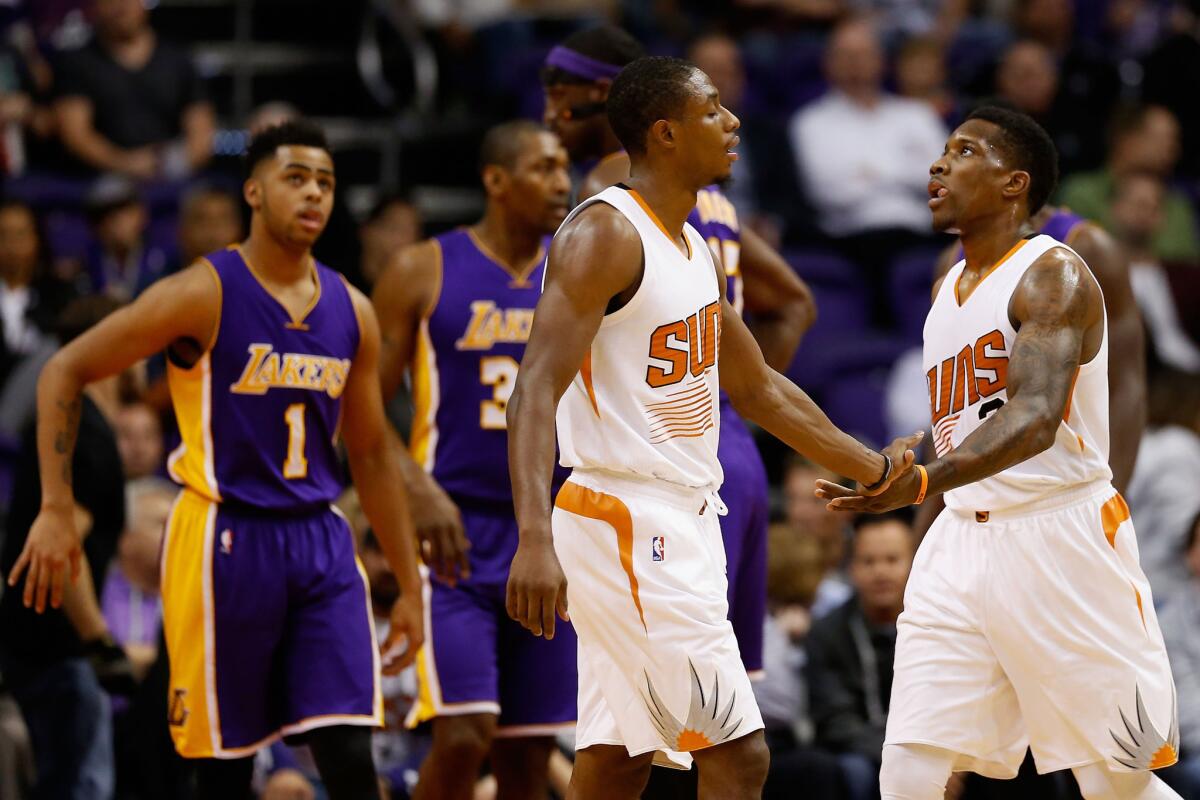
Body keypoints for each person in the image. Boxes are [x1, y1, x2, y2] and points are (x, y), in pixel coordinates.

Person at [506, 55, 920, 798]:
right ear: (665, 133)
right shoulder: (605, 234)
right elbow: (534, 387)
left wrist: (874, 471)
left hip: (680, 516)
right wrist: (532, 535)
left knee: (615, 760)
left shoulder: (693, 245)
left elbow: (759, 389)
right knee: (739, 752)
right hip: (626, 516)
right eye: (712, 111)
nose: (733, 124)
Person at [6, 119, 427, 800]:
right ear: (253, 192)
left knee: (349, 750)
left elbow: (374, 455)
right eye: (296, 179)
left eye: (325, 182)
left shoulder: (354, 309)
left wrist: (409, 584)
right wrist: (55, 508)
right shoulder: (203, 292)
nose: (314, 195)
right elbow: (64, 370)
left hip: (321, 539)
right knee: (226, 767)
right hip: (226, 536)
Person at [817, 106, 1182, 799]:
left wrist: (923, 478)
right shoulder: (944, 288)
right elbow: (968, 422)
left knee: (1116, 780)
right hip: (963, 541)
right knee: (911, 770)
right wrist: (917, 451)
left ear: (1014, 183)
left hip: (1060, 534)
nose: (937, 164)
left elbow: (1035, 417)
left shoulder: (1055, 276)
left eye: (962, 152)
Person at [542, 24, 816, 683]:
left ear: (605, 96)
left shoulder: (614, 195)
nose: (549, 113)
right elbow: (795, 300)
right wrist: (736, 394)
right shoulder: (710, 194)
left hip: (661, 457)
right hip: (728, 451)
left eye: (560, 94)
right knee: (721, 706)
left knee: (675, 712)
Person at [372, 119, 575, 800]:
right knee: (464, 732)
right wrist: (418, 491)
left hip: (546, 538)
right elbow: (357, 411)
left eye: (564, 167)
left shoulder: (580, 269)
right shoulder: (421, 268)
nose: (561, 181)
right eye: (543, 167)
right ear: (495, 180)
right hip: (452, 539)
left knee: (528, 752)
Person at [926, 196, 1146, 505]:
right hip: (983, 486)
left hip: (1062, 483)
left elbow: (1126, 385)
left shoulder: (1086, 246)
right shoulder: (951, 268)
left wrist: (1113, 491)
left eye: (966, 152)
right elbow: (949, 408)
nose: (942, 167)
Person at [0, 295, 130, 800]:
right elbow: (64, 547)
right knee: (81, 787)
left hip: (37, 642)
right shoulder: (86, 434)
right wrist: (100, 643)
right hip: (59, 649)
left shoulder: (68, 424)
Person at [806, 510, 915, 800]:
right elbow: (836, 721)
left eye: (892, 560)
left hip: (930, 747)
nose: (880, 572)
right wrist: (901, 760)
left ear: (915, 563)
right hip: (863, 754)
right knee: (850, 770)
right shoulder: (827, 632)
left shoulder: (938, 627)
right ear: (851, 567)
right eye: (868, 561)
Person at [53, 0, 214, 178]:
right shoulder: (77, 63)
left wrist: (169, 165)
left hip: (171, 176)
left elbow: (201, 133)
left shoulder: (178, 60)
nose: (122, 7)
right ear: (96, 5)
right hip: (100, 180)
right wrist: (126, 164)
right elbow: (76, 135)